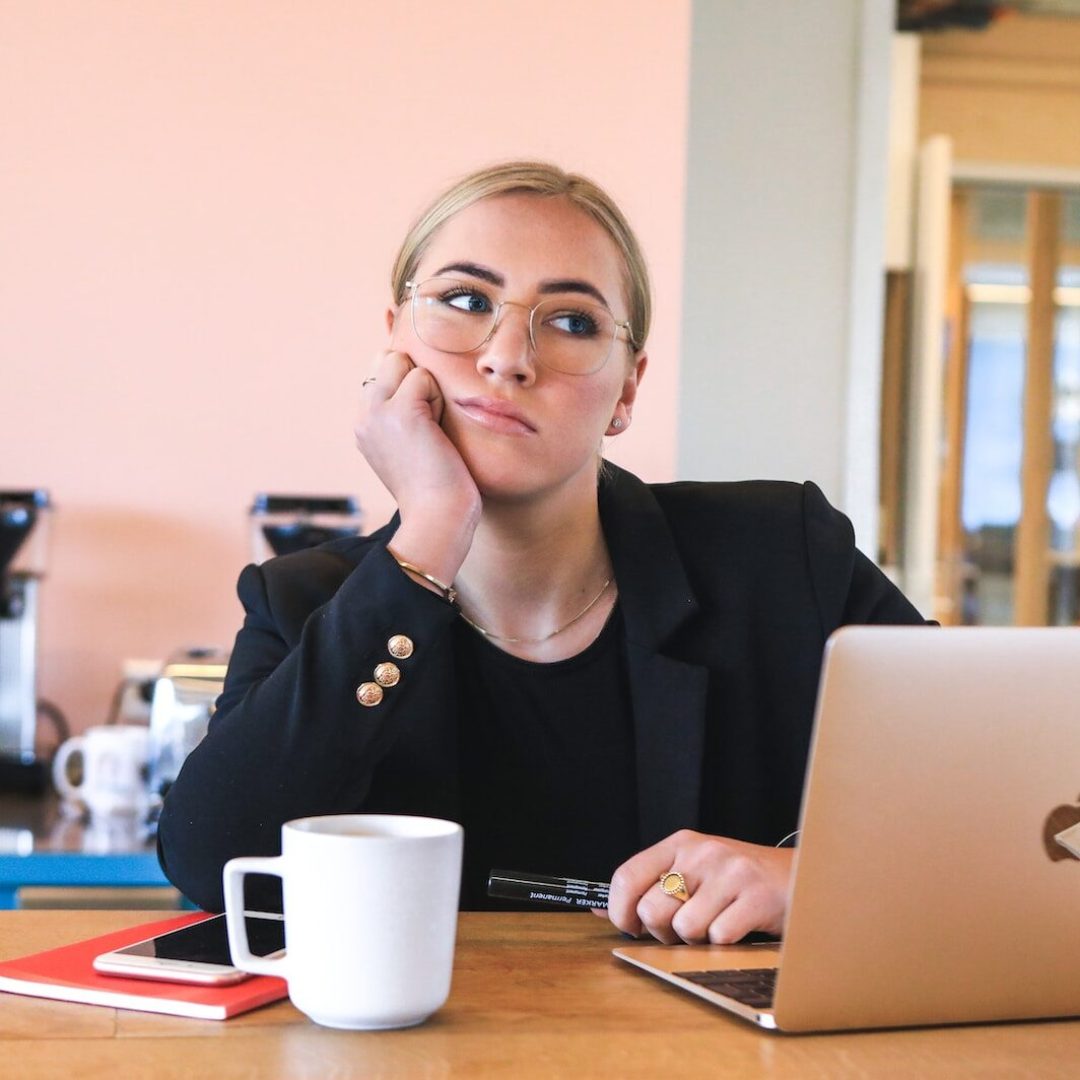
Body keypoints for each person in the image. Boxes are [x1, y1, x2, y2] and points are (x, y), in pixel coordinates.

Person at [157, 161, 926, 945]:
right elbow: (213, 864)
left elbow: (1016, 803)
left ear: (627, 389)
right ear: (393, 342)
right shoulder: (303, 601)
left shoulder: (782, 556)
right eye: (465, 302)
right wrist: (429, 534)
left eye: (571, 322)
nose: (506, 357)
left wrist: (813, 880)